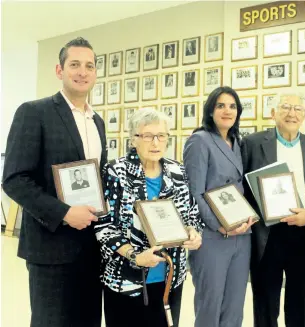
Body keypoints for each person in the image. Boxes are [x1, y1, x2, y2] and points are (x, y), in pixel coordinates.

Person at [2, 37, 105, 327]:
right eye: (74, 64)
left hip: (91, 245)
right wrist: (64, 213)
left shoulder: (98, 122)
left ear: (95, 73)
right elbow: (14, 179)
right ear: (59, 70)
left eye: (89, 66)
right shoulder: (34, 112)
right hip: (51, 248)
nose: (82, 72)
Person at [95, 108, 204, 327]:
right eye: (147, 136)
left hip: (169, 279)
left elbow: (192, 214)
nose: (155, 143)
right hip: (125, 280)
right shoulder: (116, 172)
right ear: (133, 139)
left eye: (161, 136)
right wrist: (135, 256)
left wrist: (193, 233)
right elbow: (104, 227)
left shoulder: (178, 171)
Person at [241, 93, 305, 327]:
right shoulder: (252, 144)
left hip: (304, 232)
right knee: (264, 303)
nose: (292, 113)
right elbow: (241, 187)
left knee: (301, 304)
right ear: (273, 113)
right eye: (285, 107)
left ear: (304, 115)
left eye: (297, 109)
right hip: (267, 234)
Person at [183, 86, 255, 327]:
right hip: (213, 236)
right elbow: (194, 193)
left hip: (242, 235)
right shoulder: (199, 141)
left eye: (232, 106)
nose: (227, 111)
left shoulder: (238, 142)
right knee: (210, 306)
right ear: (210, 110)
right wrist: (220, 227)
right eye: (221, 105)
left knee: (234, 306)